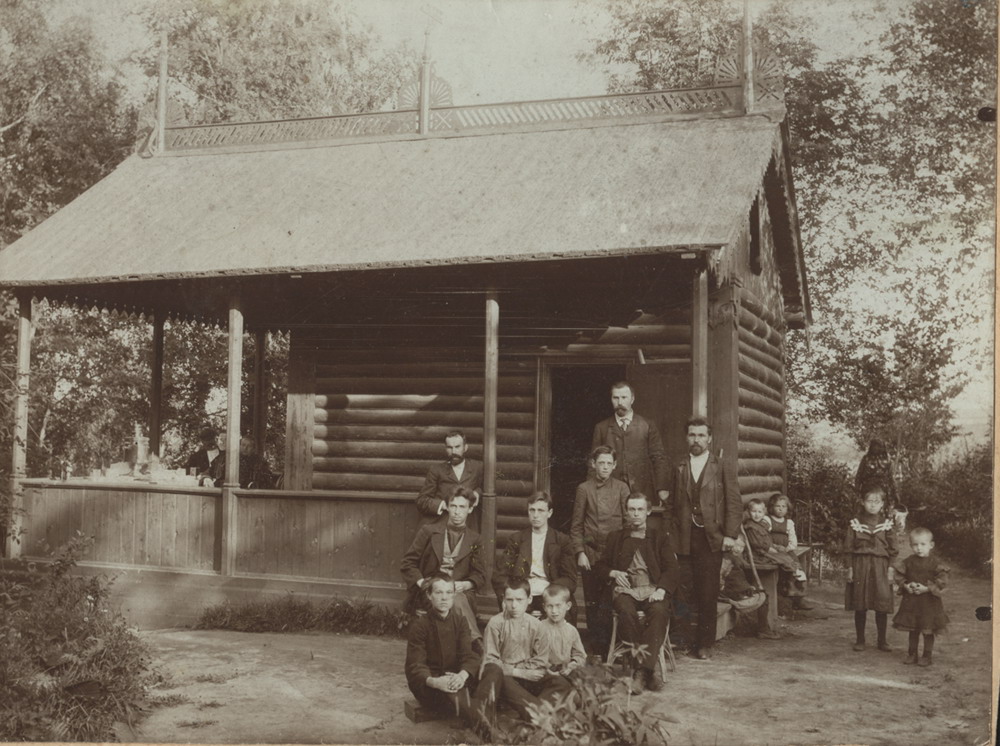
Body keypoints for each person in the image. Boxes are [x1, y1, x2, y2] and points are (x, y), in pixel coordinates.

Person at [666, 416, 741, 660]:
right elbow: (670, 505)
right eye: (692, 435)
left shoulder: (721, 466)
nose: (696, 440)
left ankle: (704, 643)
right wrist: (670, 535)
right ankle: (683, 639)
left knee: (707, 591)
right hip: (684, 536)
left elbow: (734, 502)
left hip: (711, 537)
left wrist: (730, 535)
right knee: (682, 589)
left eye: (701, 435)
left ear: (709, 438)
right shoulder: (679, 466)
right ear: (686, 438)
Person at [597, 493, 679, 693]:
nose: (635, 513)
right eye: (631, 509)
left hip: (653, 590)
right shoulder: (616, 538)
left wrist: (661, 589)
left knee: (659, 611)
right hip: (626, 591)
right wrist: (613, 573)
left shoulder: (659, 538)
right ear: (626, 512)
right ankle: (647, 671)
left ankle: (641, 672)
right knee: (625, 610)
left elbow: (672, 569)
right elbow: (600, 566)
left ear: (648, 511)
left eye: (640, 509)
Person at [400, 488, 485, 649]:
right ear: (447, 506)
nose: (457, 512)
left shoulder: (475, 539)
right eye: (453, 506)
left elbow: (480, 575)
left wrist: (465, 584)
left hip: (460, 591)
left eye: (462, 507)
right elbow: (408, 563)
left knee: (457, 598)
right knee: (449, 597)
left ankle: (461, 648)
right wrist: (423, 583)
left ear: (470, 509)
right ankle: (475, 643)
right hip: (430, 590)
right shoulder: (429, 531)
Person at [570, 445, 631, 653]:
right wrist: (580, 552)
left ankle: (614, 646)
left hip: (614, 555)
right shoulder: (584, 489)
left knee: (612, 600)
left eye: (608, 463)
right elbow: (577, 525)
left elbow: (628, 523)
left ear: (614, 466)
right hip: (591, 554)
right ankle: (597, 649)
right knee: (592, 602)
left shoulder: (622, 488)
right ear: (593, 464)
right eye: (601, 463)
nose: (604, 467)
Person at [473, 579, 552, 726]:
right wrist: (517, 672)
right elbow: (490, 662)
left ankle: (534, 707)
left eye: (519, 600)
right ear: (503, 600)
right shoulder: (495, 623)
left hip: (528, 675)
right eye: (509, 600)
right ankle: (536, 712)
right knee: (497, 675)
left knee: (559, 682)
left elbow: (541, 659)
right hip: (505, 677)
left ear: (529, 599)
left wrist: (526, 671)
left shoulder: (537, 625)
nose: (514, 605)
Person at [493, 491, 577, 619]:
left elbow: (570, 579)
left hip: (549, 592)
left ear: (550, 513)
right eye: (532, 510)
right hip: (523, 592)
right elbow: (500, 575)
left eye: (541, 510)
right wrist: (506, 597)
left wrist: (550, 591)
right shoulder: (516, 539)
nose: (535, 515)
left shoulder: (562, 541)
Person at [404, 574, 480, 714]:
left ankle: (481, 715)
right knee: (462, 701)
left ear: (454, 595)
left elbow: (468, 655)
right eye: (439, 592)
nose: (444, 598)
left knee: (493, 671)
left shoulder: (461, 621)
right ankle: (485, 723)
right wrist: (436, 682)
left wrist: (461, 676)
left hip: (456, 678)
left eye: (449, 592)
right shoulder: (420, 625)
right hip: (431, 684)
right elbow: (416, 665)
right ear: (429, 595)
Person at [591, 381, 669, 506]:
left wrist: (662, 488)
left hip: (642, 490)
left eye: (624, 397)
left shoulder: (647, 425)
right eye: (616, 398)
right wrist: (592, 491)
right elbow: (593, 463)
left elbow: (659, 458)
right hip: (610, 491)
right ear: (611, 399)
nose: (620, 402)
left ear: (632, 399)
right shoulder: (602, 428)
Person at [844, 486, 898, 652]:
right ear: (863, 502)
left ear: (882, 504)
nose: (873, 505)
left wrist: (891, 568)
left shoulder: (887, 525)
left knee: (881, 602)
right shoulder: (855, 524)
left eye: (877, 502)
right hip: (861, 565)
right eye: (869, 501)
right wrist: (850, 568)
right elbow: (848, 548)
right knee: (860, 603)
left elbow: (893, 550)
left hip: (880, 567)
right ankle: (860, 640)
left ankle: (882, 641)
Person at [892, 528, 949, 666]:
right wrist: (906, 585)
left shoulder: (935, 563)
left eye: (923, 544)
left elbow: (942, 581)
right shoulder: (908, 562)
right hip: (912, 602)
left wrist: (927, 588)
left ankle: (927, 656)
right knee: (913, 629)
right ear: (911, 546)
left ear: (931, 545)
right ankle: (912, 654)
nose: (919, 548)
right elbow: (899, 575)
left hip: (929, 603)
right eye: (915, 545)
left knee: (928, 629)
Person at [415, 431, 483, 525]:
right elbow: (421, 500)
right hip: (442, 523)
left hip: (469, 524)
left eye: (457, 447)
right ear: (445, 449)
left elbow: (487, 487)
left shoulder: (477, 467)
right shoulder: (436, 470)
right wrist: (443, 505)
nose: (454, 452)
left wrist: (477, 492)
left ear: (465, 448)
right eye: (450, 447)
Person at [743, 498, 808, 585]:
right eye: (754, 511)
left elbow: (768, 540)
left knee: (785, 555)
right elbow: (756, 544)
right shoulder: (751, 527)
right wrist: (770, 549)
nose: (757, 515)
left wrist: (775, 546)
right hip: (758, 554)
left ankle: (794, 575)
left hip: (765, 551)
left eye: (759, 512)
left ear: (764, 512)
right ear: (748, 512)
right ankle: (795, 573)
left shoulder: (762, 525)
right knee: (781, 558)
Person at [766, 493, 814, 610]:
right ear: (771, 507)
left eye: (784, 506)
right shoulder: (767, 520)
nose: (781, 509)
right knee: (782, 571)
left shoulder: (789, 523)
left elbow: (793, 541)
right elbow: (764, 537)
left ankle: (799, 599)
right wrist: (774, 547)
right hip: (772, 551)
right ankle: (782, 600)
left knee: (797, 568)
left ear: (787, 508)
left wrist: (787, 548)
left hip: (786, 551)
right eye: (778, 506)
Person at [539, 584, 586, 688]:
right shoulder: (539, 628)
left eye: (558, 606)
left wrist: (572, 665)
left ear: (568, 606)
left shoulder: (571, 630)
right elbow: (534, 654)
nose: (554, 611)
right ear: (544, 607)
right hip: (546, 671)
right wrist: (547, 668)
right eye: (550, 606)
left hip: (566, 670)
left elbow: (580, 655)